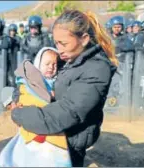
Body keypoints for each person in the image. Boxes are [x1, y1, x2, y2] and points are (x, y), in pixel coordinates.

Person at [10, 10, 118, 167]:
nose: (59, 50)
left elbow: (67, 113)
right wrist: (18, 98)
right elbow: (36, 81)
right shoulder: (70, 59)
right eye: (56, 43)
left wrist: (19, 114)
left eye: (64, 44)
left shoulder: (97, 69)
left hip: (71, 142)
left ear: (84, 40)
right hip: (55, 137)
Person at [0, 47, 72, 167]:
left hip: (50, 125)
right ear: (38, 65)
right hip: (30, 123)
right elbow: (11, 92)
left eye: (54, 64)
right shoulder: (27, 82)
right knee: (26, 154)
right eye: (47, 63)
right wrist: (14, 103)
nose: (51, 67)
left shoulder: (58, 82)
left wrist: (54, 94)